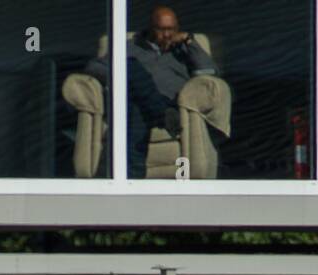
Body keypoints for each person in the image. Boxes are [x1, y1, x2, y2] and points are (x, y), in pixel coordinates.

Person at [83, 5, 219, 178]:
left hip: (169, 103)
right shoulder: (131, 46)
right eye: (162, 29)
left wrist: (190, 43)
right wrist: (120, 73)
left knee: (135, 100)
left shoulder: (184, 50)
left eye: (171, 29)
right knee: (130, 67)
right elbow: (94, 67)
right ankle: (160, 113)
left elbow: (209, 73)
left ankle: (131, 178)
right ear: (151, 29)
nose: (167, 34)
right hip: (146, 108)